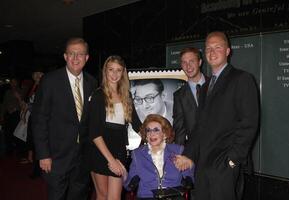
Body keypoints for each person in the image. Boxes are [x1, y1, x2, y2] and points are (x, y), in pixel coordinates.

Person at [175, 31, 259, 200]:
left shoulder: (242, 79)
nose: (212, 52)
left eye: (217, 47)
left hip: (224, 164)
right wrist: (188, 154)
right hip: (203, 163)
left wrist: (232, 160)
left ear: (228, 51)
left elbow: (249, 123)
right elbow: (200, 126)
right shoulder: (206, 87)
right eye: (208, 48)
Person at [32, 37, 97, 200]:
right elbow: (39, 119)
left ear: (87, 58)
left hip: (82, 156)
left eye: (80, 54)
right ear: (65, 56)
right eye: (71, 54)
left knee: (79, 195)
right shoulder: (50, 80)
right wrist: (43, 154)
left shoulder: (92, 82)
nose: (76, 58)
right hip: (56, 156)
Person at [88, 55, 141, 200]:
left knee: (115, 197)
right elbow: (94, 133)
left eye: (118, 70)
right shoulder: (98, 95)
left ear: (123, 72)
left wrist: (158, 132)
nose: (114, 74)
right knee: (103, 195)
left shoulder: (126, 95)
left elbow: (137, 124)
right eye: (111, 69)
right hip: (100, 151)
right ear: (105, 71)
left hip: (119, 149)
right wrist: (110, 160)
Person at [124, 114, 194, 199]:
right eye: (148, 130)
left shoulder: (178, 151)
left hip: (173, 196)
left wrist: (190, 166)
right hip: (147, 196)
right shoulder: (137, 154)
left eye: (156, 130)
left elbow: (189, 175)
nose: (151, 134)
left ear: (165, 134)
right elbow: (129, 185)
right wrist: (124, 174)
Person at [173, 47, 208, 145]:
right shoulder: (179, 96)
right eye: (184, 62)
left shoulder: (216, 85)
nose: (188, 66)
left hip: (220, 150)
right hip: (195, 152)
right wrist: (179, 154)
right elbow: (179, 130)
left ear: (200, 62)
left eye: (191, 61)